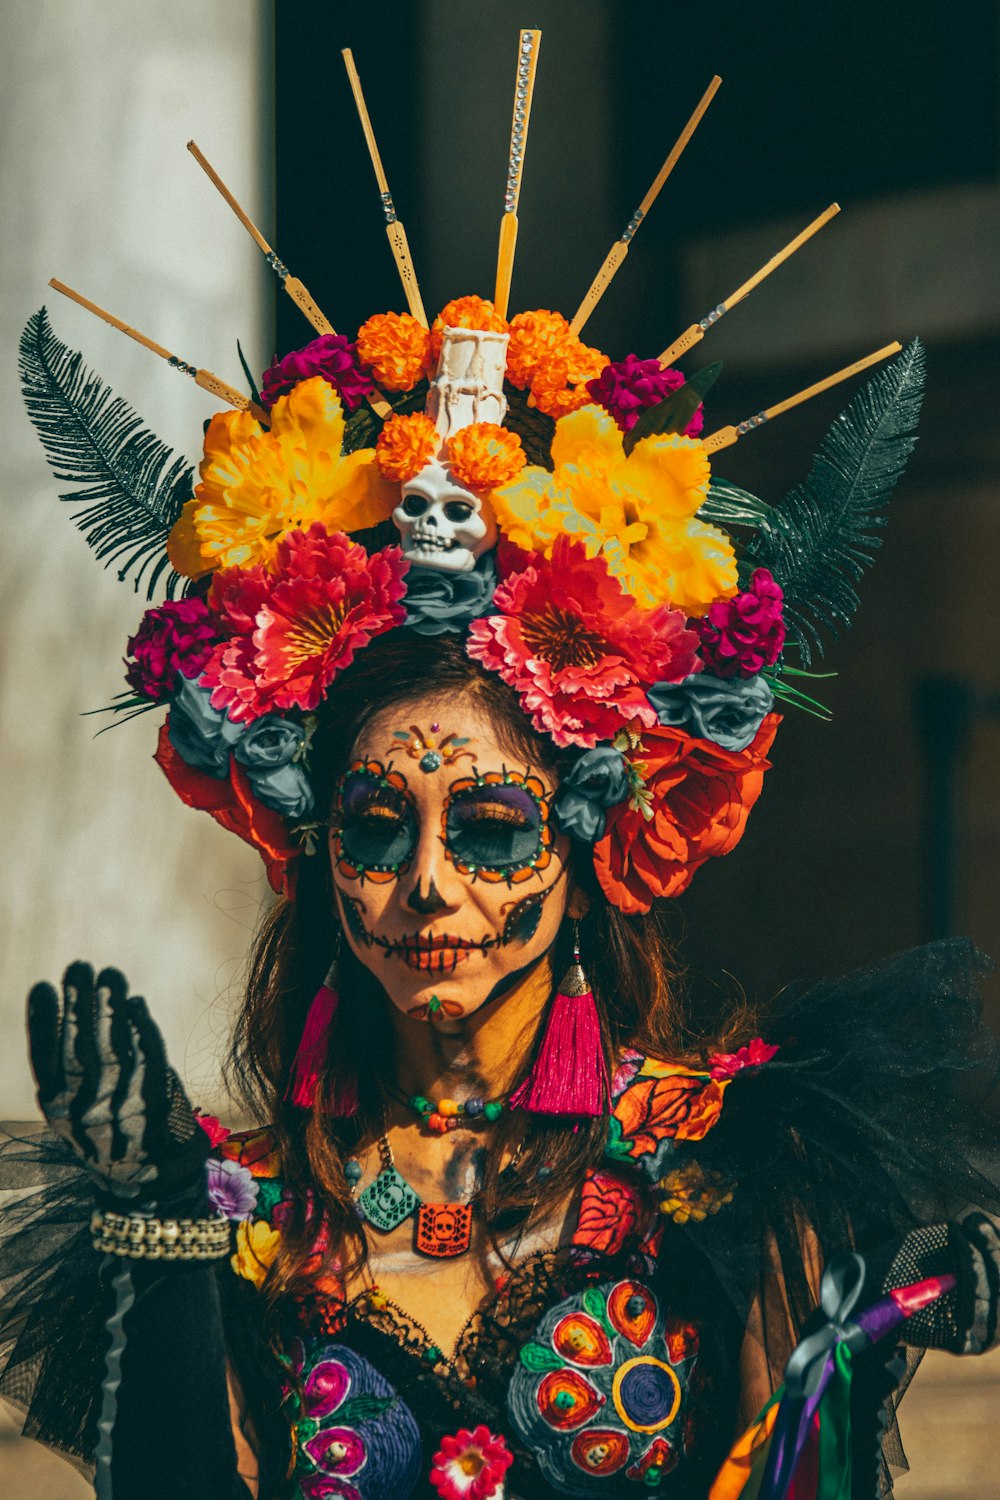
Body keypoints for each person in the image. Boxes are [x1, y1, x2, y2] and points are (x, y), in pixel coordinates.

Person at [6, 34, 1000, 1500]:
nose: (430, 888)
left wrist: (864, 1313)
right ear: (309, 840)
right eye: (374, 825)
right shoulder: (250, 1209)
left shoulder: (728, 1170)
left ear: (587, 828)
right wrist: (160, 1228)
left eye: (486, 827)